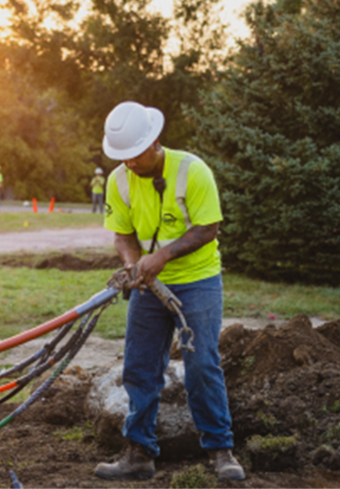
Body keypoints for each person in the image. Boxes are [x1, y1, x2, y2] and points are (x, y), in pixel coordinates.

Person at [94, 101, 244, 482]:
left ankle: (220, 449)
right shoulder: (119, 180)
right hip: (147, 284)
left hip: (198, 281)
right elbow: (123, 234)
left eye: (135, 154)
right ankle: (139, 453)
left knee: (201, 363)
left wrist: (161, 256)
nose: (129, 163)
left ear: (155, 140)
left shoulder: (192, 171)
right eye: (122, 156)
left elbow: (207, 228)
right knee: (140, 366)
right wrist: (132, 264)